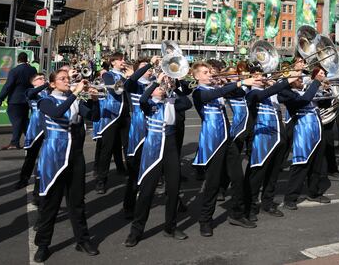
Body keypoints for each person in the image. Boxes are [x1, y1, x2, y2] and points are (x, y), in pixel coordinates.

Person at [33, 71, 100, 262]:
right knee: (50, 203)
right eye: (62, 79)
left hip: (75, 155)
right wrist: (75, 94)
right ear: (52, 84)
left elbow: (94, 117)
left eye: (67, 78)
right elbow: (57, 113)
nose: (67, 81)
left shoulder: (75, 101)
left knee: (77, 201)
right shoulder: (46, 101)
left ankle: (83, 240)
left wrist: (94, 100)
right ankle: (43, 244)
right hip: (53, 155)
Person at [190, 61, 257, 237]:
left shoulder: (218, 88)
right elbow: (213, 95)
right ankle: (205, 220)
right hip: (212, 142)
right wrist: (238, 82)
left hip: (228, 140)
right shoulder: (198, 93)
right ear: (196, 76)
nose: (209, 75)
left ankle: (237, 214)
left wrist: (232, 81)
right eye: (204, 72)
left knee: (237, 178)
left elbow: (240, 93)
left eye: (209, 71)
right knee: (212, 184)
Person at [125, 72, 192, 246]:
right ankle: (136, 231)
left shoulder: (171, 102)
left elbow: (187, 103)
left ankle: (170, 227)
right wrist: (157, 83)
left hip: (170, 146)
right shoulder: (148, 104)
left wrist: (174, 86)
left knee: (173, 188)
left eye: (162, 87)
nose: (162, 89)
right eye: (158, 88)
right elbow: (143, 99)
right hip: (153, 146)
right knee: (147, 192)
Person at [279, 68, 330, 210]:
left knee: (317, 164)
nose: (301, 80)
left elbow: (325, 104)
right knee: (301, 164)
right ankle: (290, 197)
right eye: (297, 79)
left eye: (301, 78)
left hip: (317, 130)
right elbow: (304, 101)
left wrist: (327, 89)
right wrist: (316, 83)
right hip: (302, 131)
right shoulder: (287, 94)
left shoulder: (308, 90)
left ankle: (313, 192)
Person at [244, 75, 293, 220]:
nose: (262, 79)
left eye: (263, 76)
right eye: (258, 77)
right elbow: (262, 94)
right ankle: (250, 206)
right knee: (257, 174)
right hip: (261, 140)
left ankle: (268, 203)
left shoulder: (273, 92)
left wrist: (276, 84)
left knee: (273, 175)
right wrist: (281, 83)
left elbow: (290, 96)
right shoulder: (251, 93)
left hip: (278, 138)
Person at [122, 57, 159, 219]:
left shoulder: (156, 82)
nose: (149, 70)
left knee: (159, 165)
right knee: (135, 168)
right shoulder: (134, 84)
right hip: (139, 126)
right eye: (144, 68)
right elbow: (131, 80)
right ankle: (129, 205)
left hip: (156, 124)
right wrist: (149, 64)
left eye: (149, 68)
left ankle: (175, 201)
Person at [95, 53, 129, 194]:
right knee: (107, 149)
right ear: (113, 62)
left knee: (128, 146)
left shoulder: (124, 74)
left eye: (123, 59)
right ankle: (101, 180)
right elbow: (116, 90)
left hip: (125, 115)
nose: (123, 62)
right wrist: (127, 77)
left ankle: (131, 174)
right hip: (112, 116)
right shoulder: (108, 75)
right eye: (120, 60)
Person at [16, 73, 49, 193]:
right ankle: (23, 179)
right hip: (36, 125)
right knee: (31, 155)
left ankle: (46, 178)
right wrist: (46, 84)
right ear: (33, 82)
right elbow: (31, 94)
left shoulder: (49, 91)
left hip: (49, 124)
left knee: (48, 153)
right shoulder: (30, 91)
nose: (42, 80)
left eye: (43, 78)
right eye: (39, 79)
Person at [0, 52, 37, 150]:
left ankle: (15, 142)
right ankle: (31, 139)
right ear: (26, 59)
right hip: (27, 98)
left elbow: (8, 85)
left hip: (15, 99)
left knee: (17, 121)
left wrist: (1, 97)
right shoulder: (33, 70)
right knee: (23, 120)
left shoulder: (14, 71)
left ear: (18, 60)